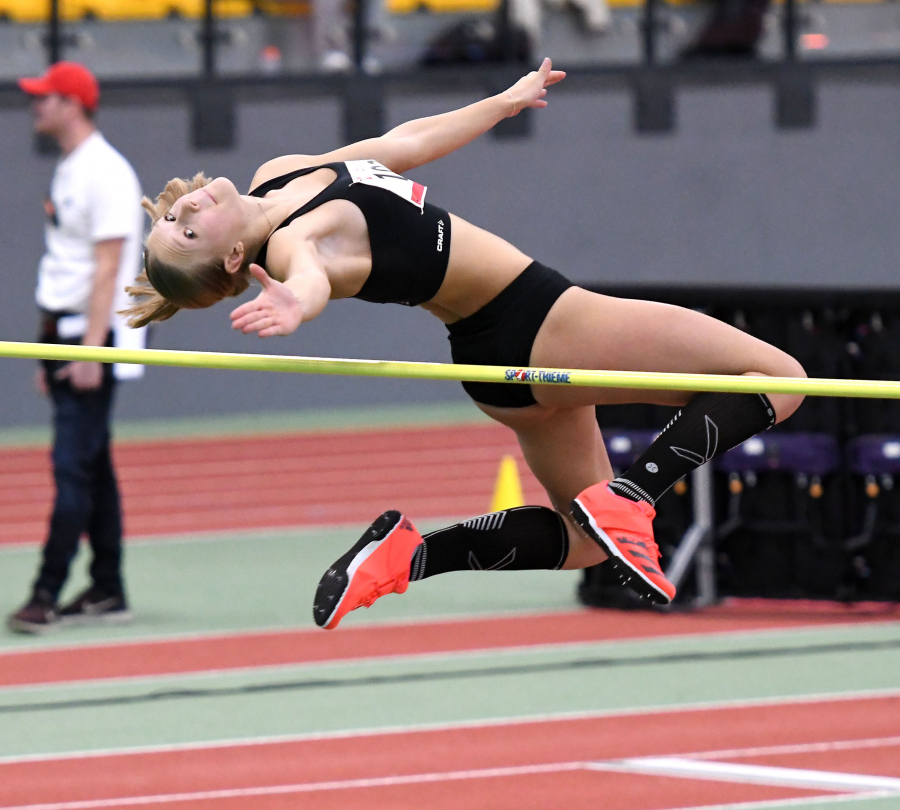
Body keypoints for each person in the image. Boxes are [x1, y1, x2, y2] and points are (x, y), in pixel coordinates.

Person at [124, 58, 806, 630]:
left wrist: (502, 102)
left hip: (491, 362)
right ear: (240, 255)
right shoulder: (299, 238)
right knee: (779, 376)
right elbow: (311, 279)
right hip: (541, 322)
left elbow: (403, 144)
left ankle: (409, 556)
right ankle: (637, 493)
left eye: (174, 218)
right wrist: (294, 305)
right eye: (185, 236)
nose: (182, 211)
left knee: (582, 543)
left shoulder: (282, 174)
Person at [7, 62, 146, 634]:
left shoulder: (104, 172)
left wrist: (91, 350)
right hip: (65, 335)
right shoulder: (73, 167)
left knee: (71, 469)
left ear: (74, 103)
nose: (35, 107)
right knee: (93, 465)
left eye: (46, 98)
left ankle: (46, 592)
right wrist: (52, 351)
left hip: (90, 338)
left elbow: (107, 267)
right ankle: (109, 586)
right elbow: (69, 265)